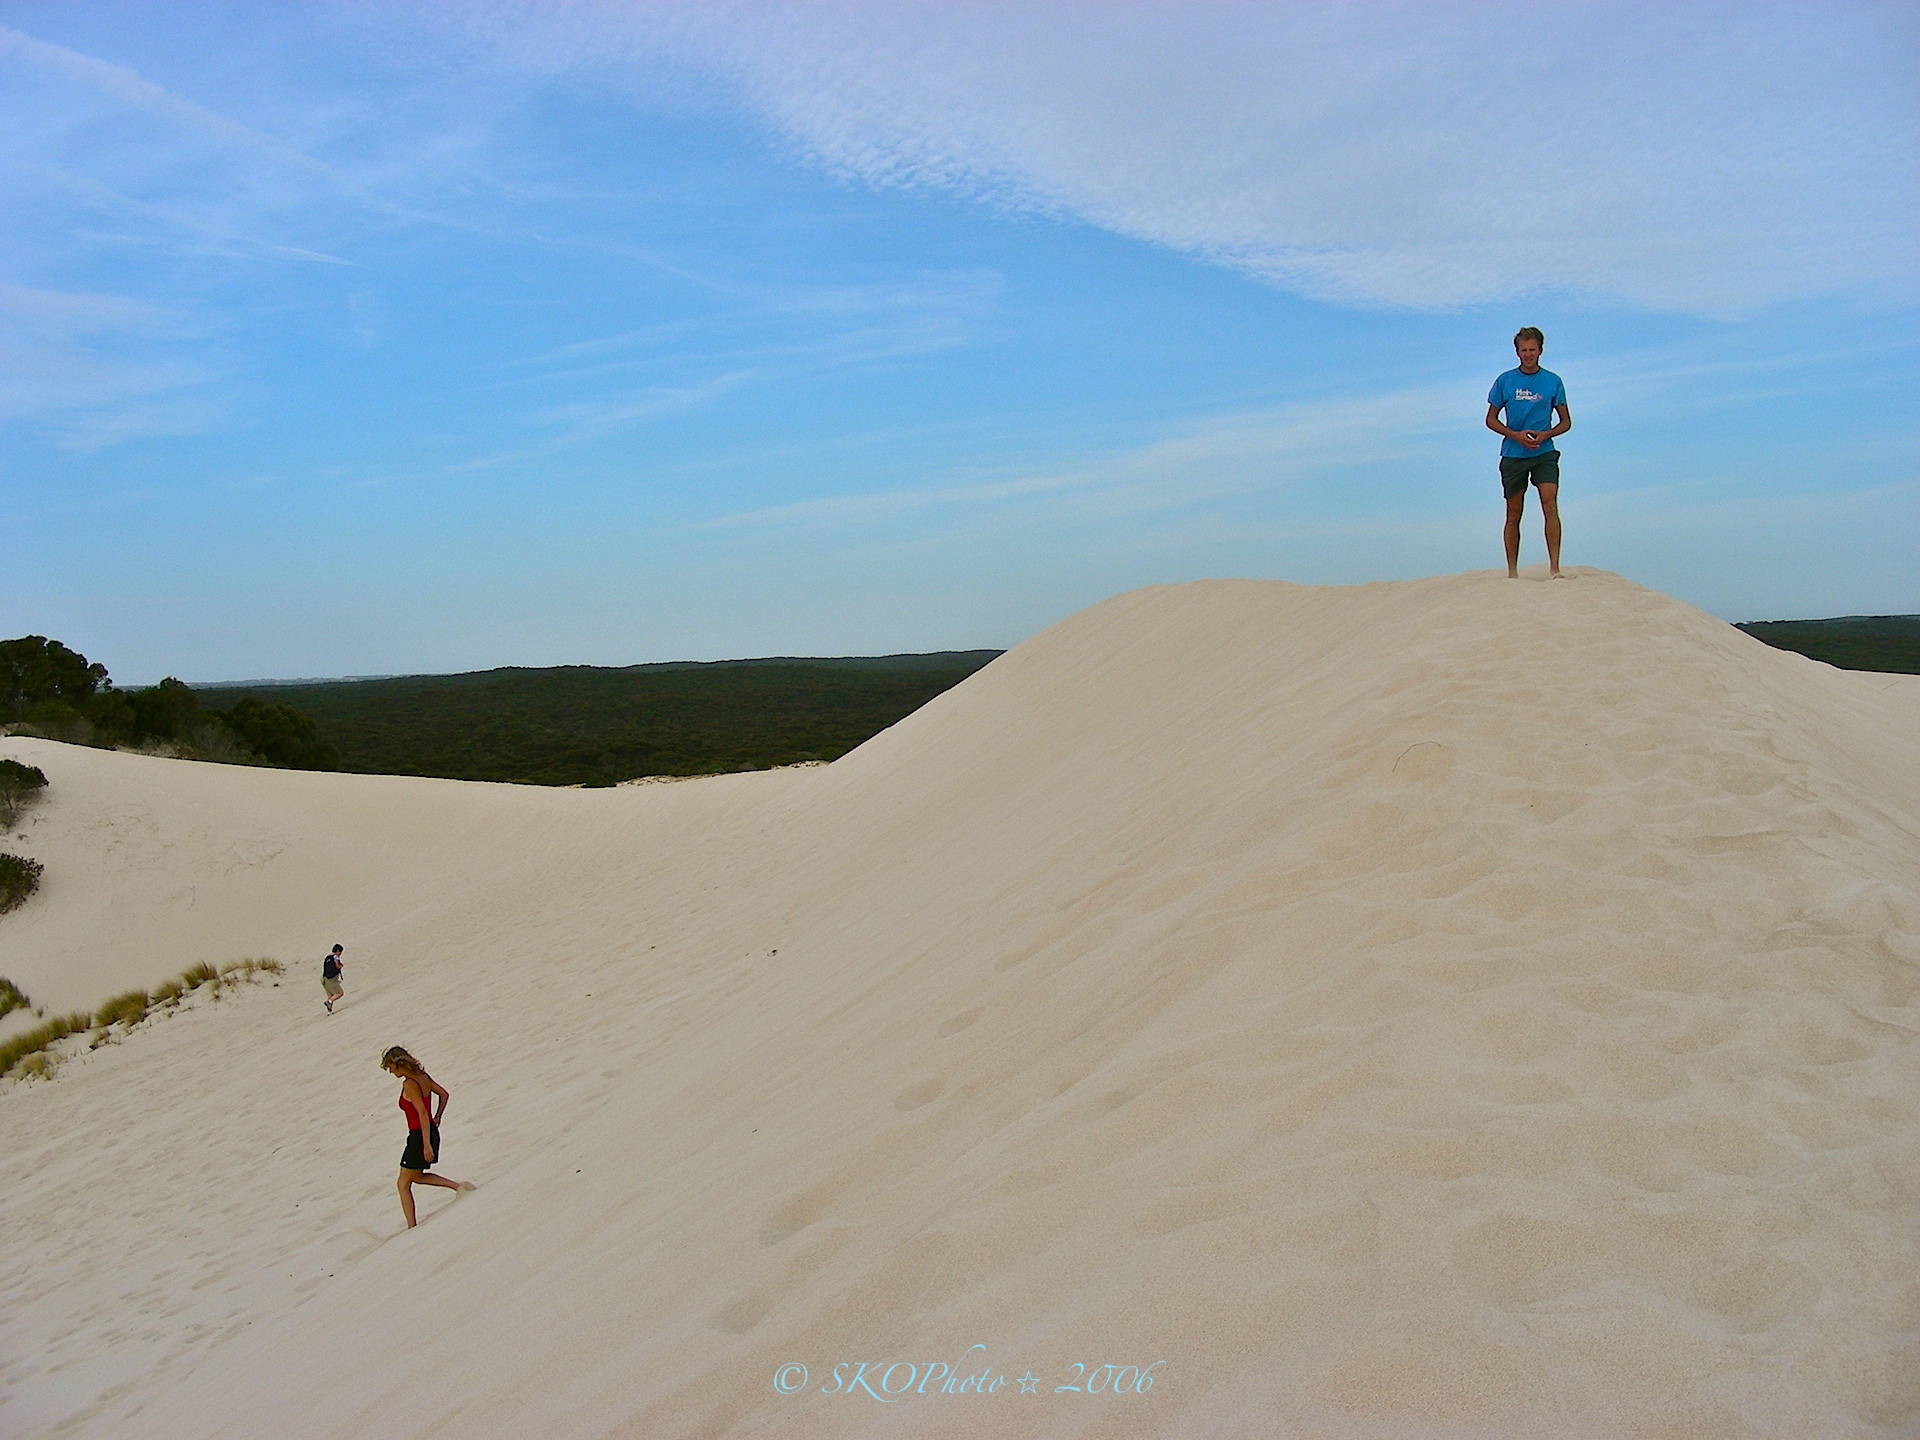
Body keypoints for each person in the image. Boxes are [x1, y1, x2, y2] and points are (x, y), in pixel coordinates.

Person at [1485, 327, 1572, 578]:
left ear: (1540, 350)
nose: (1528, 354)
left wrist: (1545, 435)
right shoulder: (1505, 381)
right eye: (1523, 350)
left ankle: (1555, 568)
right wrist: (1516, 435)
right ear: (1517, 352)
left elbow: (1566, 421)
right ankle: (1512, 573)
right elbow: (1490, 419)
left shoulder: (1553, 381)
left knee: (1549, 503)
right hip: (1513, 454)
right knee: (1514, 512)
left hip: (1543, 451)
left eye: (1532, 349)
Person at [381, 1046, 473, 1227]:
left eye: (391, 1067)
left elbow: (422, 1112)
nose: (390, 1071)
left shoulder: (409, 1083)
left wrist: (426, 1144)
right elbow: (444, 1095)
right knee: (416, 1176)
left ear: (399, 1063)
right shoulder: (423, 1077)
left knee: (403, 1184)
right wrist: (438, 1116)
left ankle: (411, 1226)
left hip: (419, 1136)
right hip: (429, 1132)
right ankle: (458, 1187)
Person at [321, 944, 345, 1013]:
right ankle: (329, 1002)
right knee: (340, 993)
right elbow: (337, 966)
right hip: (331, 979)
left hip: (324, 978)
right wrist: (341, 966)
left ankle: (329, 1011)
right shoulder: (335, 957)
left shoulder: (328, 957)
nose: (340, 953)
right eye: (340, 951)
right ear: (337, 951)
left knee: (330, 995)